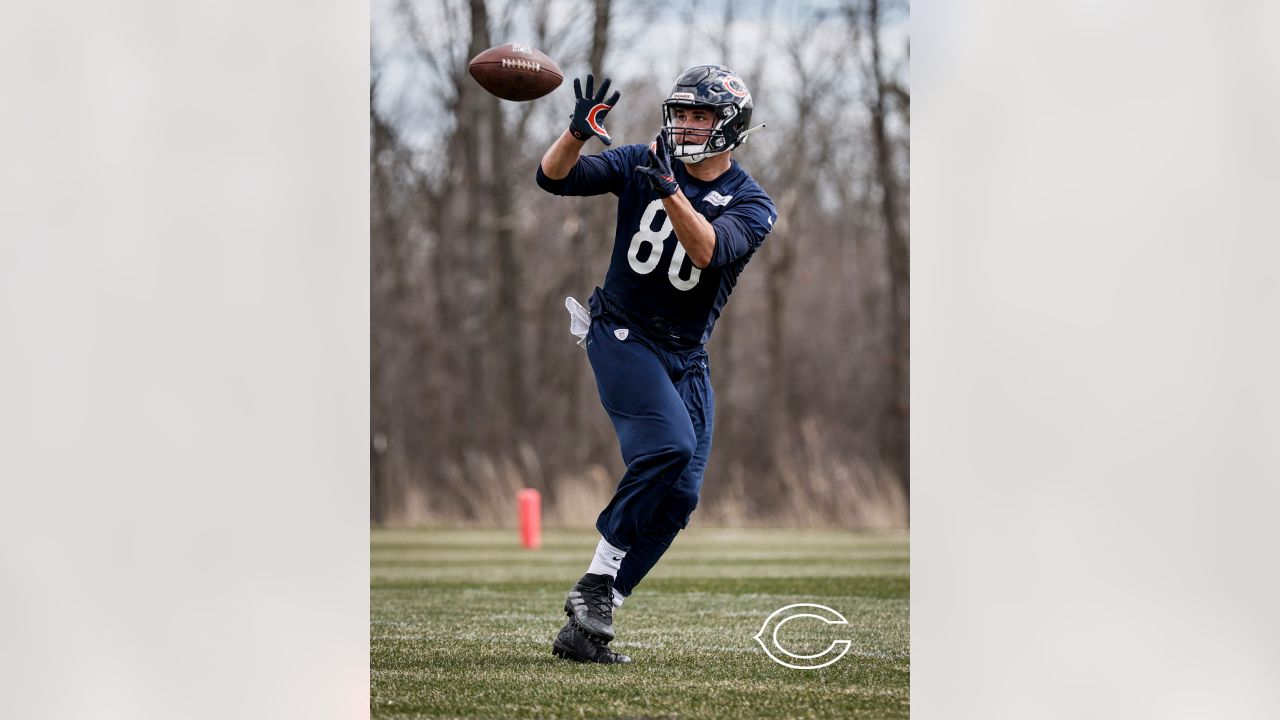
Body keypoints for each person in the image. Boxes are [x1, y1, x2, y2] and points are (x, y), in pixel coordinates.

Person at [536, 65, 776, 664]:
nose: (687, 125)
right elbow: (553, 179)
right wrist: (576, 134)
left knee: (681, 498)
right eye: (683, 113)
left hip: (685, 357)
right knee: (666, 448)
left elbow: (708, 249)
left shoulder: (751, 202)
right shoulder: (646, 160)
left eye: (701, 116)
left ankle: (588, 629)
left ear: (730, 126)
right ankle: (596, 583)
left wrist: (669, 187)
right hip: (620, 331)